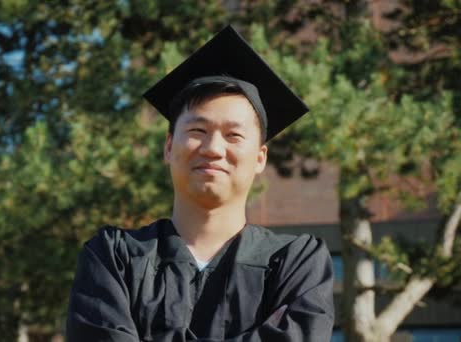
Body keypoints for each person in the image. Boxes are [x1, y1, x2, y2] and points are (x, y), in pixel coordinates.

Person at [66, 25, 334, 341]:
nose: (213, 149)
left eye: (234, 135)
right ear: (168, 147)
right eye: (197, 132)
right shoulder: (115, 258)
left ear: (260, 157)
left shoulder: (295, 264)